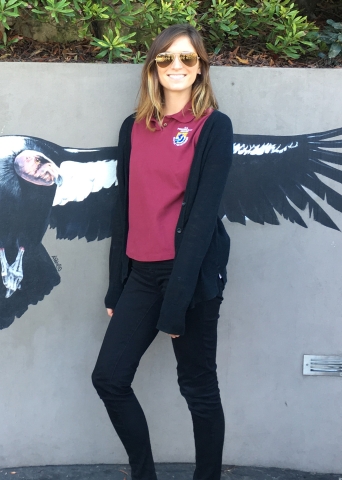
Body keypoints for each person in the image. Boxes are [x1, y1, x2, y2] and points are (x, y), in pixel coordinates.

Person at [92, 23, 233, 480]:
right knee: (109, 379)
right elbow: (124, 210)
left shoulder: (213, 127)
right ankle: (144, 475)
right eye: (166, 58)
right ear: (153, 67)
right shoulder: (133, 129)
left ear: (200, 69)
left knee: (198, 388)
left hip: (189, 278)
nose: (176, 66)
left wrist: (176, 305)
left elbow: (202, 219)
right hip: (141, 275)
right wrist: (117, 287)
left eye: (187, 59)